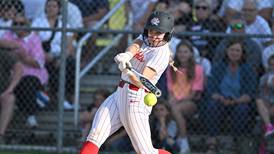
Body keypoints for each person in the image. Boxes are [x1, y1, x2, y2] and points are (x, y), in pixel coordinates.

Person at [80, 11, 175, 154]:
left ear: (166, 34)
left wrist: (128, 72)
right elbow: (136, 44)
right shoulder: (145, 38)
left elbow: (142, 80)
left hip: (136, 100)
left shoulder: (161, 53)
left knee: (146, 152)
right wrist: (127, 55)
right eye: (151, 30)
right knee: (94, 137)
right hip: (119, 94)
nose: (153, 35)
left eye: (158, 33)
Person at [203, 38, 257, 153]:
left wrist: (237, 101)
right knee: (212, 105)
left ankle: (235, 140)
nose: (234, 53)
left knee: (242, 110)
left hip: (239, 101)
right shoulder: (218, 67)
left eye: (238, 51)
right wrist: (220, 97)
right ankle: (212, 140)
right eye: (232, 50)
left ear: (242, 53)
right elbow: (211, 88)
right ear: (227, 52)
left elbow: (250, 92)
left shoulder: (248, 69)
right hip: (221, 100)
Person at [2, 13, 48, 128]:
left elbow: (39, 63)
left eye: (21, 23)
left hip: (32, 73)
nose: (18, 26)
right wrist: (15, 46)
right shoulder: (8, 35)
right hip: (11, 73)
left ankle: (30, 115)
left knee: (26, 82)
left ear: (27, 25)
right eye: (15, 23)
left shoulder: (34, 39)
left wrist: (24, 57)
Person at [166, 40, 204, 153]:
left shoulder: (198, 69)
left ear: (191, 54)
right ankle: (172, 138)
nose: (182, 54)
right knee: (171, 107)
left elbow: (194, 93)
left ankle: (183, 140)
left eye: (186, 52)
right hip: (174, 101)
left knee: (175, 108)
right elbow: (170, 90)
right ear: (176, 53)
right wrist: (171, 99)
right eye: (180, 52)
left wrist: (177, 101)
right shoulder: (171, 68)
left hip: (190, 102)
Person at [0, 48, 23, 144]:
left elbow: (18, 67)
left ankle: (0, 135)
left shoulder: (2, 54)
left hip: (2, 91)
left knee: (9, 99)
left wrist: (10, 89)